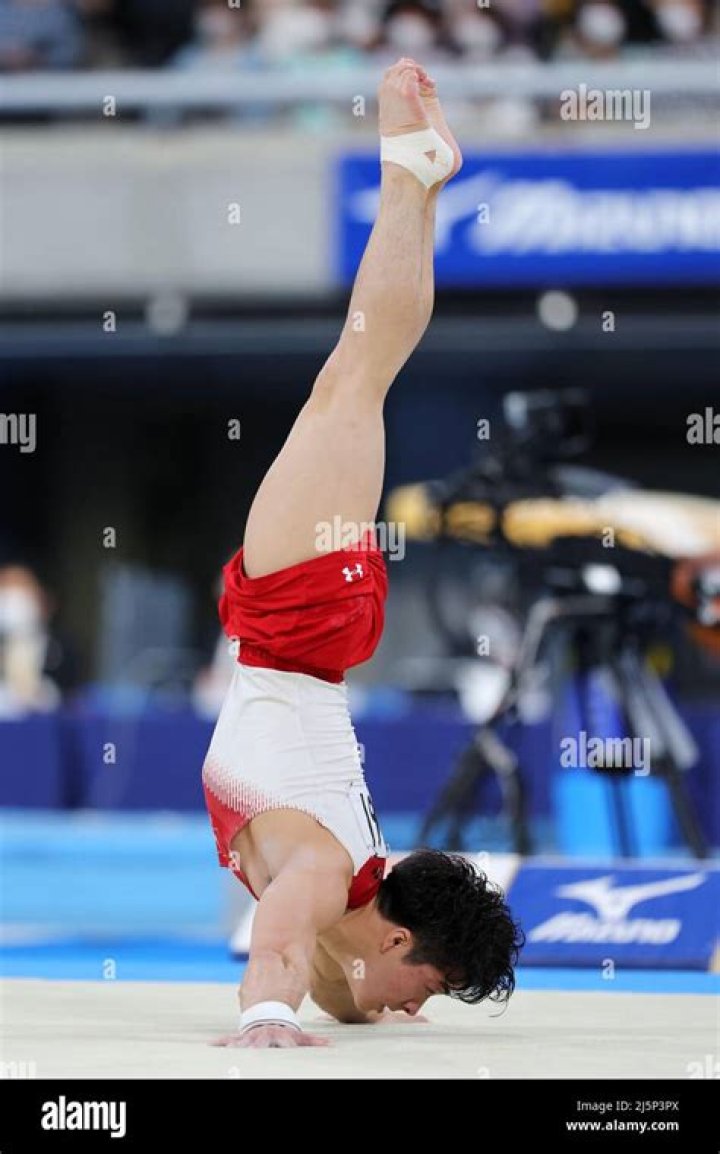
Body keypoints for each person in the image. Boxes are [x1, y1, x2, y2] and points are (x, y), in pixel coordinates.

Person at [202, 57, 523, 1050]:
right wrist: (266, 1014)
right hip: (296, 626)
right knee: (354, 374)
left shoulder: (353, 924)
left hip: (316, 637)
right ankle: (408, 172)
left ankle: (416, 174)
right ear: (393, 933)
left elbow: (337, 981)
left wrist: (335, 995)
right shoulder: (324, 870)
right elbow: (280, 952)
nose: (411, 1006)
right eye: (429, 985)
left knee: (362, 374)